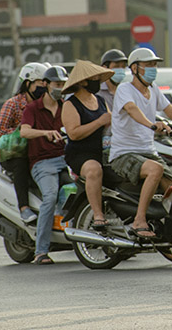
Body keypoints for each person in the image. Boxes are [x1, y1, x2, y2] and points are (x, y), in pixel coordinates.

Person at [110, 47, 172, 253]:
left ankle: (164, 230)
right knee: (154, 169)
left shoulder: (153, 90)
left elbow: (171, 110)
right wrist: (152, 124)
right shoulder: (125, 89)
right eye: (149, 65)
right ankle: (139, 220)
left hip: (148, 152)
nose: (153, 69)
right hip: (124, 153)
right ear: (135, 68)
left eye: (155, 65)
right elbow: (132, 110)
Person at [19, 65, 70, 264]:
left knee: (81, 191)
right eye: (57, 84)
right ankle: (41, 251)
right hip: (42, 162)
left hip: (66, 160)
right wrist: (44, 133)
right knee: (50, 197)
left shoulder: (67, 106)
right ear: (46, 85)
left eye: (63, 85)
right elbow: (24, 132)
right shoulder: (33, 108)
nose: (60, 88)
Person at [60, 60, 113, 233]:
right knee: (94, 170)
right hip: (80, 154)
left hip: (103, 150)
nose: (98, 81)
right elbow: (73, 133)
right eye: (95, 78)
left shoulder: (99, 100)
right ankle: (97, 215)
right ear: (83, 81)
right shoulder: (70, 104)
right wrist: (100, 122)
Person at [0, 62, 48, 224]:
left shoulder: (45, 104)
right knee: (21, 164)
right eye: (41, 83)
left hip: (39, 151)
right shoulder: (13, 104)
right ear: (28, 83)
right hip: (14, 153)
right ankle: (24, 208)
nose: (44, 87)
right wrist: (21, 134)